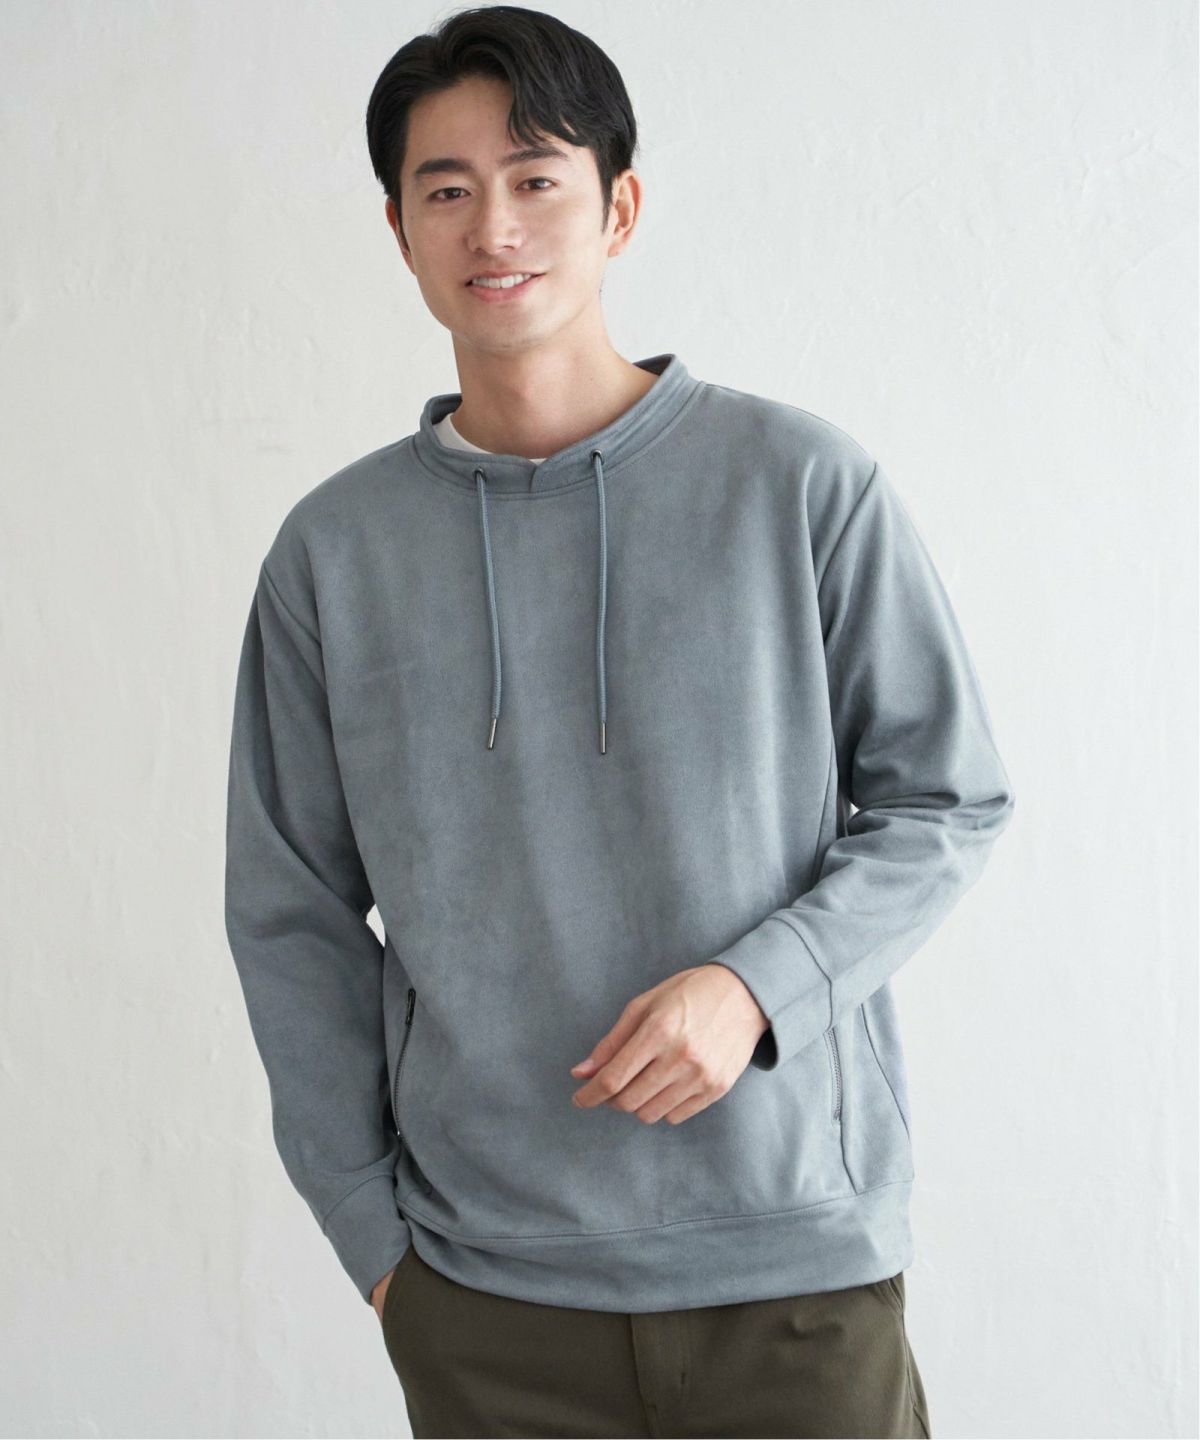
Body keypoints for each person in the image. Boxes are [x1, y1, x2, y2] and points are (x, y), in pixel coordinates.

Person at [224, 6, 1015, 1436]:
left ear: (619, 208)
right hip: (486, 1299)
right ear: (400, 230)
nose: (493, 227)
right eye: (446, 190)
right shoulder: (332, 555)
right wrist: (374, 1241)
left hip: (791, 1271)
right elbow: (290, 909)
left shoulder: (798, 484)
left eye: (536, 178)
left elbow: (944, 800)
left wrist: (759, 987)